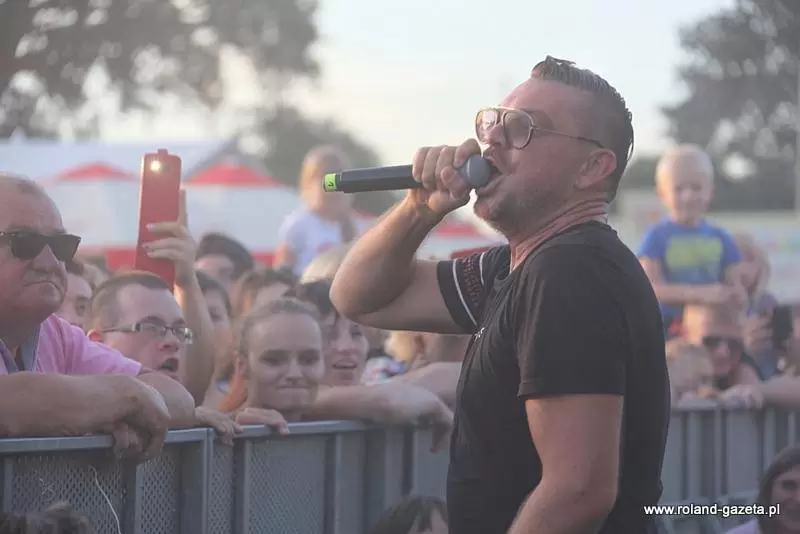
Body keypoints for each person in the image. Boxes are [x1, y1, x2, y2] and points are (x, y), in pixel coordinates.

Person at [330, 56, 669, 534]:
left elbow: (578, 491)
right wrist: (419, 208)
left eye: (521, 129)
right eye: (491, 124)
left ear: (592, 167)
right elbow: (359, 298)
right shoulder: (519, 267)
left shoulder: (571, 271)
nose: (492, 141)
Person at [0, 174, 195, 461]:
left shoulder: (57, 335)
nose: (49, 262)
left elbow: (178, 399)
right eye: (25, 242)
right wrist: (118, 399)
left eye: (61, 246)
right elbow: (10, 401)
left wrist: (104, 409)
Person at [638, 144, 745, 337]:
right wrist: (700, 294)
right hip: (668, 329)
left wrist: (736, 297)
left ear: (710, 191)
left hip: (713, 332)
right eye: (678, 189)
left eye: (696, 188)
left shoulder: (721, 238)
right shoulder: (656, 237)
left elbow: (735, 285)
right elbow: (649, 288)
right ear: (662, 193)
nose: (688, 196)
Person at [274, 146, 361, 277]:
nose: (335, 190)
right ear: (309, 183)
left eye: (339, 178)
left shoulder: (356, 227)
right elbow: (282, 272)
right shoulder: (298, 224)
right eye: (327, 179)